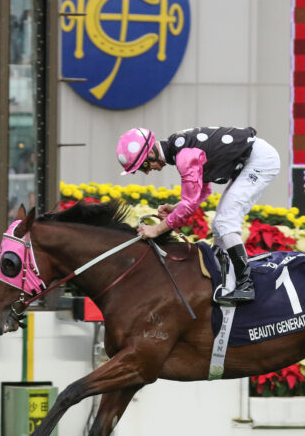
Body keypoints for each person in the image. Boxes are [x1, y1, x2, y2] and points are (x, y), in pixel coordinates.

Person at [116, 126, 280, 304]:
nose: (148, 171)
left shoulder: (184, 156)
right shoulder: (179, 149)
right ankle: (225, 280)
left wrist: (156, 230)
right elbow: (203, 191)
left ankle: (246, 285)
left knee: (226, 221)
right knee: (219, 225)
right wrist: (176, 207)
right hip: (253, 157)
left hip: (260, 160)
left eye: (144, 166)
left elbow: (190, 205)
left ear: (151, 153)